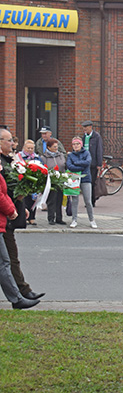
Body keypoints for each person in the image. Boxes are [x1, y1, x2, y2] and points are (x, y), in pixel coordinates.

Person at [0, 128, 44, 301]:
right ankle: (20, 294)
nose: (12, 143)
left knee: (10, 258)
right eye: (9, 140)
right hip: (4, 215)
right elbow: (3, 193)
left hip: (8, 214)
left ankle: (22, 292)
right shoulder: (2, 163)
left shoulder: (9, 160)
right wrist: (12, 209)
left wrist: (20, 205)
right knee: (8, 259)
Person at [65, 137, 97, 229]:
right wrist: (80, 166)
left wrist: (76, 163)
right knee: (75, 200)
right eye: (74, 144)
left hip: (85, 179)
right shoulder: (70, 155)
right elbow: (69, 166)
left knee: (88, 201)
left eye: (77, 144)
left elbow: (87, 163)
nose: (76, 146)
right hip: (74, 179)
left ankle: (92, 220)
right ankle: (74, 220)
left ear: (81, 144)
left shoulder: (86, 153)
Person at [41, 139, 67, 225]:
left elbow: (64, 165)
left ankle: (59, 218)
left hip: (60, 180)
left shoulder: (61, 155)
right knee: (51, 200)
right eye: (54, 147)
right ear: (49, 147)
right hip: (51, 181)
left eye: (57, 146)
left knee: (59, 199)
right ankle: (51, 218)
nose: (56, 148)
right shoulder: (44, 157)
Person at [81, 121, 104, 205]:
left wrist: (99, 164)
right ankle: (88, 200)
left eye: (86, 127)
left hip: (93, 163)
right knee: (86, 182)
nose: (84, 129)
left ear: (90, 127)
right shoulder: (84, 137)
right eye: (83, 127)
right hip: (85, 163)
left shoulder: (96, 136)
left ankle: (92, 200)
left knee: (92, 182)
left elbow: (99, 150)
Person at [17, 140, 40, 225]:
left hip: (34, 180)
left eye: (32, 148)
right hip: (23, 180)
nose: (30, 150)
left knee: (34, 199)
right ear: (24, 148)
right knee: (25, 199)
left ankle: (32, 217)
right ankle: (25, 217)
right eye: (28, 148)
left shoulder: (36, 157)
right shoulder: (19, 156)